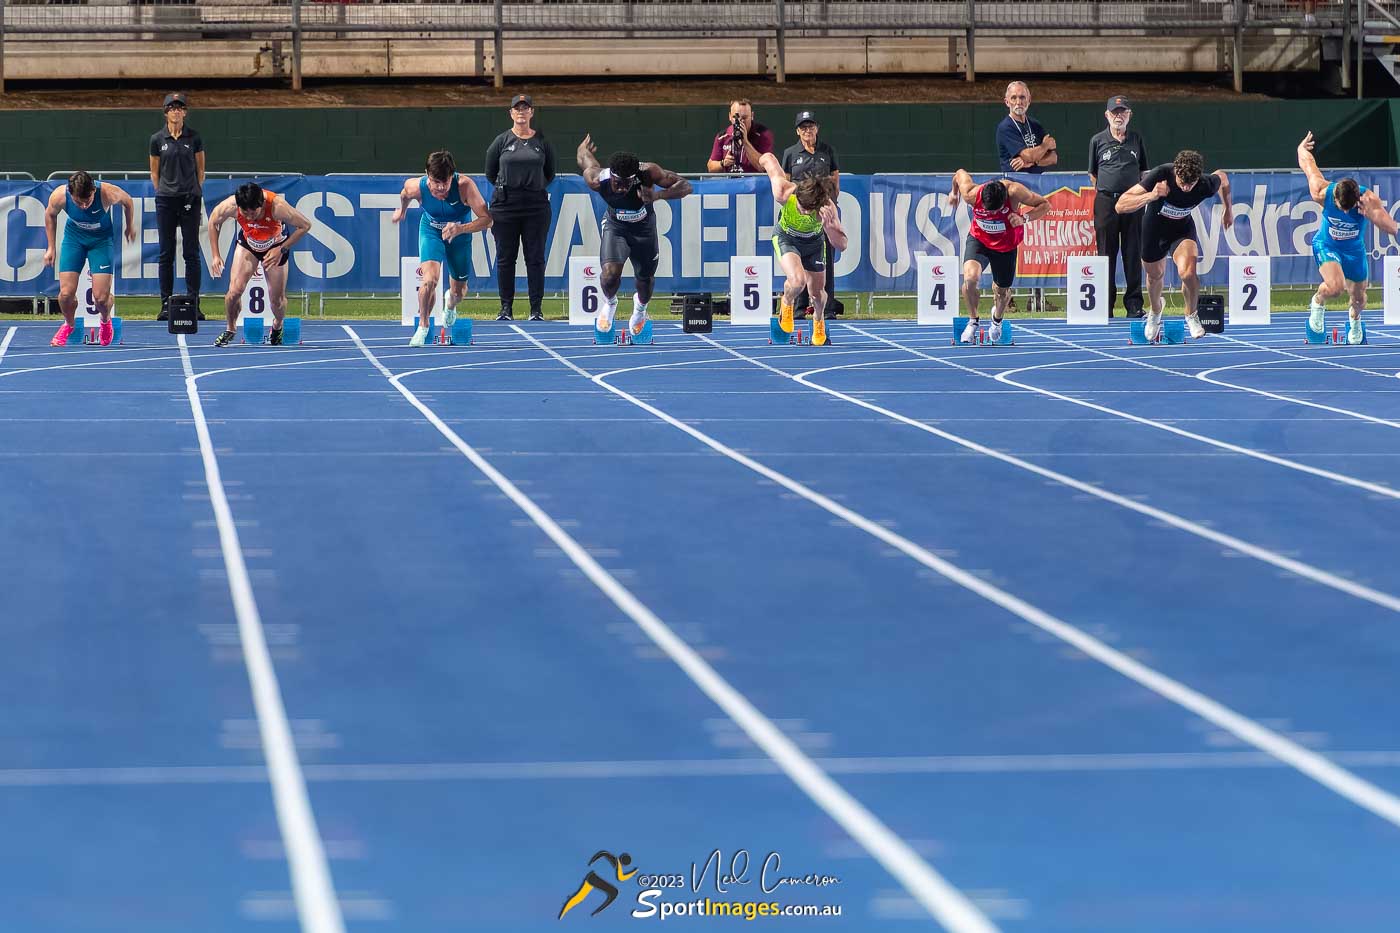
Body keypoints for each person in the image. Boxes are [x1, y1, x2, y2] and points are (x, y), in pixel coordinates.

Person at [577, 135, 691, 335]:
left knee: (645, 280)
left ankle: (640, 308)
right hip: (616, 226)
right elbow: (584, 158)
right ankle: (610, 303)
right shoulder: (596, 179)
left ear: (634, 177)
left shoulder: (648, 171)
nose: (621, 188)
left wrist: (657, 195)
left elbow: (685, 185)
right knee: (610, 275)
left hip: (644, 229)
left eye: (627, 184)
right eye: (617, 183)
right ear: (610, 175)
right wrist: (583, 147)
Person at [1115, 150, 1234, 341]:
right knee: (1155, 276)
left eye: (1191, 184)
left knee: (1188, 273)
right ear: (1175, 174)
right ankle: (1155, 312)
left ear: (1198, 179)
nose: (1186, 188)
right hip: (1154, 231)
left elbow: (1223, 177)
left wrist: (1228, 209)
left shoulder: (1206, 184)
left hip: (1181, 231)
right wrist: (1152, 195)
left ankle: (1191, 314)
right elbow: (1120, 205)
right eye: (1182, 183)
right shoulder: (1161, 174)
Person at [1298, 131, 1398, 344]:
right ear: (1334, 197)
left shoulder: (1368, 199)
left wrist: (1370, 215)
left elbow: (1392, 227)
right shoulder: (1321, 191)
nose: (1345, 213)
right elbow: (1307, 164)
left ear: (1357, 200)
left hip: (1354, 250)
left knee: (1360, 299)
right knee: (1335, 287)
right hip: (1327, 244)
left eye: (1349, 209)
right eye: (1340, 208)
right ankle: (1317, 302)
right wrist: (1301, 148)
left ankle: (1354, 319)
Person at [389, 151, 493, 346]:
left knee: (458, 292)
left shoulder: (465, 186)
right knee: (429, 280)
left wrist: (460, 228)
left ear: (452, 176)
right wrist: (401, 211)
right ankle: (423, 326)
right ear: (427, 174)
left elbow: (487, 220)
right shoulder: (416, 187)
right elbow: (404, 195)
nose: (440, 188)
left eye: (444, 183)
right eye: (435, 182)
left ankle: (451, 305)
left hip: (459, 235)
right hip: (431, 231)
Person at [948, 170, 1051, 344]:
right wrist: (953, 193)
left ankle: (997, 321)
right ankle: (973, 320)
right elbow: (959, 174)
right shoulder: (971, 194)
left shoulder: (1015, 191)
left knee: (1001, 291)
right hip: (980, 239)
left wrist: (1024, 218)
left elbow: (1045, 205)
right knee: (970, 279)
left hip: (1006, 245)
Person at [757, 151, 848, 347]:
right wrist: (762, 159)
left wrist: (830, 227)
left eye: (809, 210)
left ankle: (818, 320)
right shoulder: (784, 191)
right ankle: (787, 304)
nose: (804, 212)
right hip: (786, 237)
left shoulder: (827, 208)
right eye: (801, 207)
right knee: (797, 281)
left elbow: (842, 244)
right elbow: (770, 161)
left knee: (817, 294)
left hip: (814, 244)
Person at [207, 183, 314, 348]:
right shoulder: (231, 205)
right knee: (233, 292)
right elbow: (213, 221)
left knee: (276, 300)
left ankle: (277, 325)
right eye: (245, 213)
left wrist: (282, 249)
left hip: (275, 246)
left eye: (254, 213)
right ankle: (230, 328)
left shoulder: (277, 206)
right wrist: (215, 255)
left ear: (261, 205)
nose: (249, 217)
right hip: (249, 245)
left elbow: (305, 225)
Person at [41, 171, 136, 347]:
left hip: (101, 241)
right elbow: (50, 215)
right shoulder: (60, 196)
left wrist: (129, 226)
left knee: (100, 298)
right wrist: (51, 247)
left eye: (88, 200)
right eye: (79, 202)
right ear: (70, 194)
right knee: (65, 294)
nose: (84, 206)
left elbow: (128, 202)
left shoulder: (107, 192)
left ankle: (105, 320)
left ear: (93, 190)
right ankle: (69, 324)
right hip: (74, 239)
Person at [485, 94, 555, 321]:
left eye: (526, 108)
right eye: (517, 108)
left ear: (532, 112)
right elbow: (490, 172)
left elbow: (550, 173)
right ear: (511, 113)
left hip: (535, 205)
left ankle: (536, 309)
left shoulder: (542, 141)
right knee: (506, 257)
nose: (522, 112)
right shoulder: (501, 141)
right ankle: (506, 308)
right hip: (506, 205)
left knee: (535, 258)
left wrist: (533, 186)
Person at [1088, 95, 1149, 318]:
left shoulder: (1136, 139)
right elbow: (1093, 174)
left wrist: (1135, 194)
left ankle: (1134, 304)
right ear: (1107, 115)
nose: (1118, 116)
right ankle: (1105, 304)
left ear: (1129, 115)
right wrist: (1108, 192)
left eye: (1123, 112)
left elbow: (1144, 172)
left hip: (1132, 201)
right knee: (1106, 253)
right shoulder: (1097, 140)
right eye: (1115, 113)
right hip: (1106, 201)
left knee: (1133, 252)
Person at [148, 92, 205, 320]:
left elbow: (200, 170)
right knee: (166, 253)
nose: (176, 111)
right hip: (166, 199)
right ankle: (165, 303)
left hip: (190, 198)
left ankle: (194, 302)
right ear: (165, 112)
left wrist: (194, 190)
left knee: (191, 253)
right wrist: (163, 191)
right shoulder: (157, 139)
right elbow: (154, 172)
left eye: (180, 108)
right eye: (172, 108)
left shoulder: (194, 137)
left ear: (185, 112)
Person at [781, 110, 841, 320]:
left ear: (817, 128)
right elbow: (785, 183)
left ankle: (828, 307)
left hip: (821, 211)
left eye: (811, 126)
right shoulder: (790, 153)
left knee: (824, 259)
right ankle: (798, 308)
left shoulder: (827, 150)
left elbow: (835, 179)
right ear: (798, 131)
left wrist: (831, 205)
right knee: (798, 260)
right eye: (803, 127)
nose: (808, 131)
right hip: (800, 211)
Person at [996, 81, 1056, 175]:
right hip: (1016, 183)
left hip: (1039, 182)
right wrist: (1045, 146)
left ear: (1029, 100)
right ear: (1007, 102)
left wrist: (1033, 162)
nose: (1018, 102)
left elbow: (1053, 157)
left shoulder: (1035, 125)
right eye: (1013, 98)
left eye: (1022, 97)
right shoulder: (1006, 127)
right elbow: (1029, 155)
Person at [706, 99, 773, 174]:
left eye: (744, 118)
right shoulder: (722, 137)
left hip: (753, 183)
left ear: (752, 116)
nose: (740, 122)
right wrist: (723, 163)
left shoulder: (762, 134)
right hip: (731, 182)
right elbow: (710, 167)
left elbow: (763, 167)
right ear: (730, 117)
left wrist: (745, 141)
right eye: (736, 117)